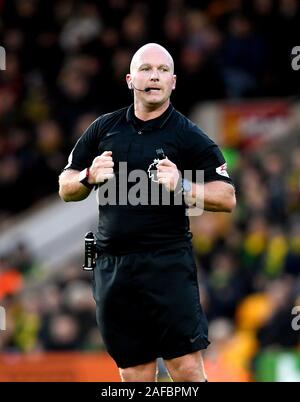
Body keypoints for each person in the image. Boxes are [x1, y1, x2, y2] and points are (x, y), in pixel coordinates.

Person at [59, 43, 236, 382]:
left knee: (184, 367)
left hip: (167, 262)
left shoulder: (188, 135)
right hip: (112, 266)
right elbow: (66, 186)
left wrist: (183, 186)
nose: (153, 75)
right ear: (130, 79)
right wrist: (87, 176)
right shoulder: (103, 129)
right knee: (134, 371)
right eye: (145, 69)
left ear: (173, 81)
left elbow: (227, 197)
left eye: (162, 70)